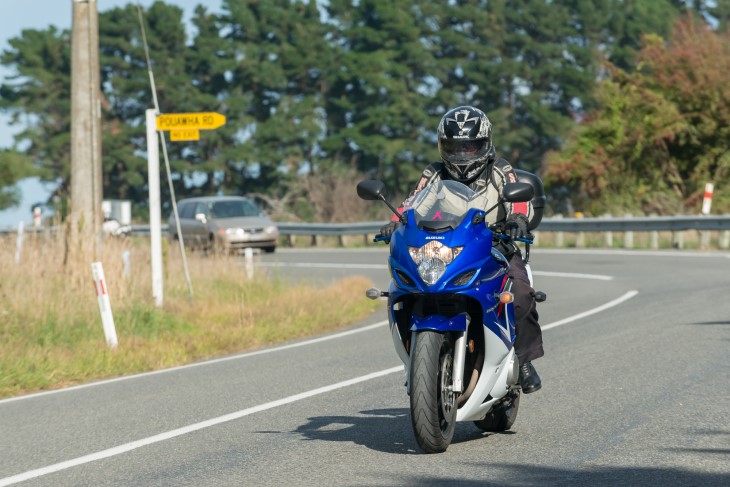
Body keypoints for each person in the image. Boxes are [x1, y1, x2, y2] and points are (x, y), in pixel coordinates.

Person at [379, 105, 543, 393]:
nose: (463, 154)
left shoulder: (500, 169)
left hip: (494, 245)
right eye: (456, 147)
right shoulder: (435, 173)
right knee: (402, 290)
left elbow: (517, 201)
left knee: (521, 294)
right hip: (445, 247)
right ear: (443, 146)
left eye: (470, 147)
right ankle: (415, 355)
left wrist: (517, 220)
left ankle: (524, 360)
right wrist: (395, 222)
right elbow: (413, 203)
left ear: (485, 144)